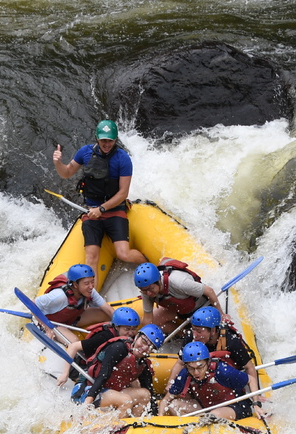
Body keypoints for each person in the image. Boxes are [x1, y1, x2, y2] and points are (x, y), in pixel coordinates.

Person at [52, 120, 147, 271]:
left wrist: (101, 209)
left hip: (114, 210)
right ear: (97, 138)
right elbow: (67, 173)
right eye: (103, 140)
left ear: (115, 140)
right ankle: (92, 294)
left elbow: (123, 193)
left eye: (110, 140)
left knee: (124, 254)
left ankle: (149, 267)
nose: (106, 144)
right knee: (91, 258)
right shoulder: (85, 152)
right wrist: (58, 163)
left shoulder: (123, 159)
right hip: (91, 211)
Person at [166, 305, 262, 397]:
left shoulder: (231, 342)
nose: (195, 335)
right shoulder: (191, 337)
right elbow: (180, 363)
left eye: (199, 331)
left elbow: (249, 367)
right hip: (203, 376)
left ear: (212, 331)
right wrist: (170, 383)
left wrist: (256, 394)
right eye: (194, 329)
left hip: (226, 377)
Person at [78, 324, 165, 417]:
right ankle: (115, 428)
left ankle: (132, 425)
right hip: (87, 390)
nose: (144, 348)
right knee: (126, 400)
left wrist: (157, 417)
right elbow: (103, 376)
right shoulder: (119, 348)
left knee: (145, 394)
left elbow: (150, 394)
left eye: (150, 347)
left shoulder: (143, 363)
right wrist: (87, 404)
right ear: (137, 336)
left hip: (111, 393)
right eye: (143, 341)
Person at [157, 341, 257, 421]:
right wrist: (160, 417)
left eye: (200, 367)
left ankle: (205, 421)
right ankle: (194, 429)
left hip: (235, 406)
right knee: (174, 406)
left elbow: (251, 380)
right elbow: (166, 399)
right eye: (191, 368)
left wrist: (256, 404)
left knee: (213, 415)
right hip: (207, 407)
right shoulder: (185, 374)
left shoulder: (222, 371)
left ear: (208, 362)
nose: (196, 372)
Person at [55, 306, 141, 387]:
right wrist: (65, 374)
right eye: (127, 329)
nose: (130, 333)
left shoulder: (129, 338)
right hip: (85, 367)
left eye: (133, 329)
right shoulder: (104, 337)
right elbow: (73, 347)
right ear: (117, 327)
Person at [134, 258, 221, 333]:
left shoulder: (179, 282)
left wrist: (221, 314)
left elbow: (209, 291)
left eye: (151, 288)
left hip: (201, 307)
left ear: (159, 281)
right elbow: (148, 319)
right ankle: (183, 334)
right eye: (144, 290)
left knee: (203, 331)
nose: (148, 293)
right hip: (179, 310)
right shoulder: (146, 289)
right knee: (154, 323)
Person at [34, 263, 114, 343]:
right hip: (53, 323)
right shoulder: (59, 296)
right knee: (75, 342)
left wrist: (121, 325)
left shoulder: (90, 291)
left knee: (105, 313)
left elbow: (108, 309)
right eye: (86, 283)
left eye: (92, 281)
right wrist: (47, 329)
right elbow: (33, 304)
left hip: (72, 319)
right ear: (75, 285)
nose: (91, 286)